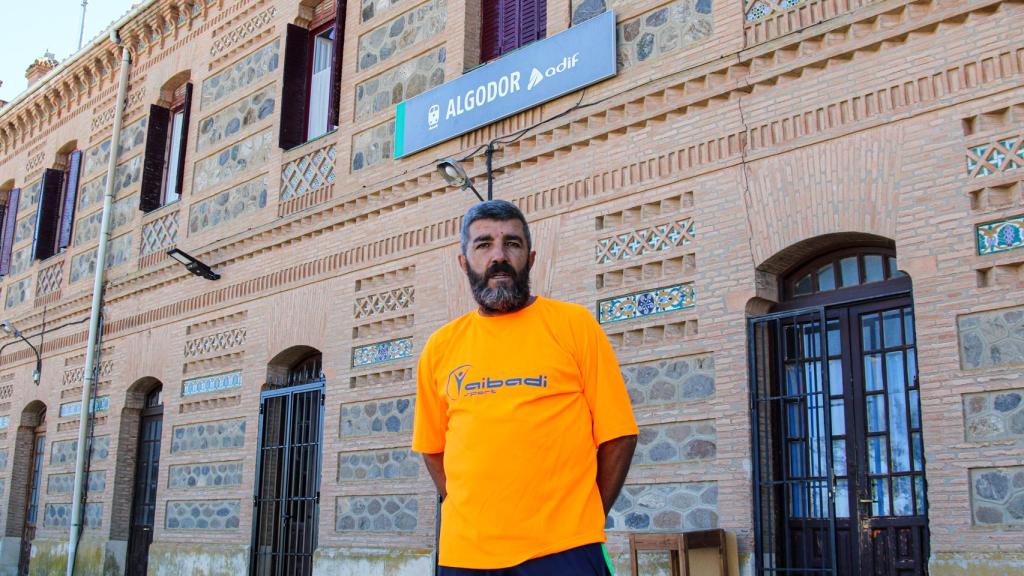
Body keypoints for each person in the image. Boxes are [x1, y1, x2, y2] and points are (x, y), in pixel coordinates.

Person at [413, 199, 639, 575]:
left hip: (565, 550)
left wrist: (584, 519)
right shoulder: (440, 347)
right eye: (484, 245)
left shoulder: (575, 326)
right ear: (464, 261)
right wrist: (472, 513)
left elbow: (619, 435)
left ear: (530, 258)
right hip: (465, 556)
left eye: (512, 244)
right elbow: (433, 449)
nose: (499, 256)